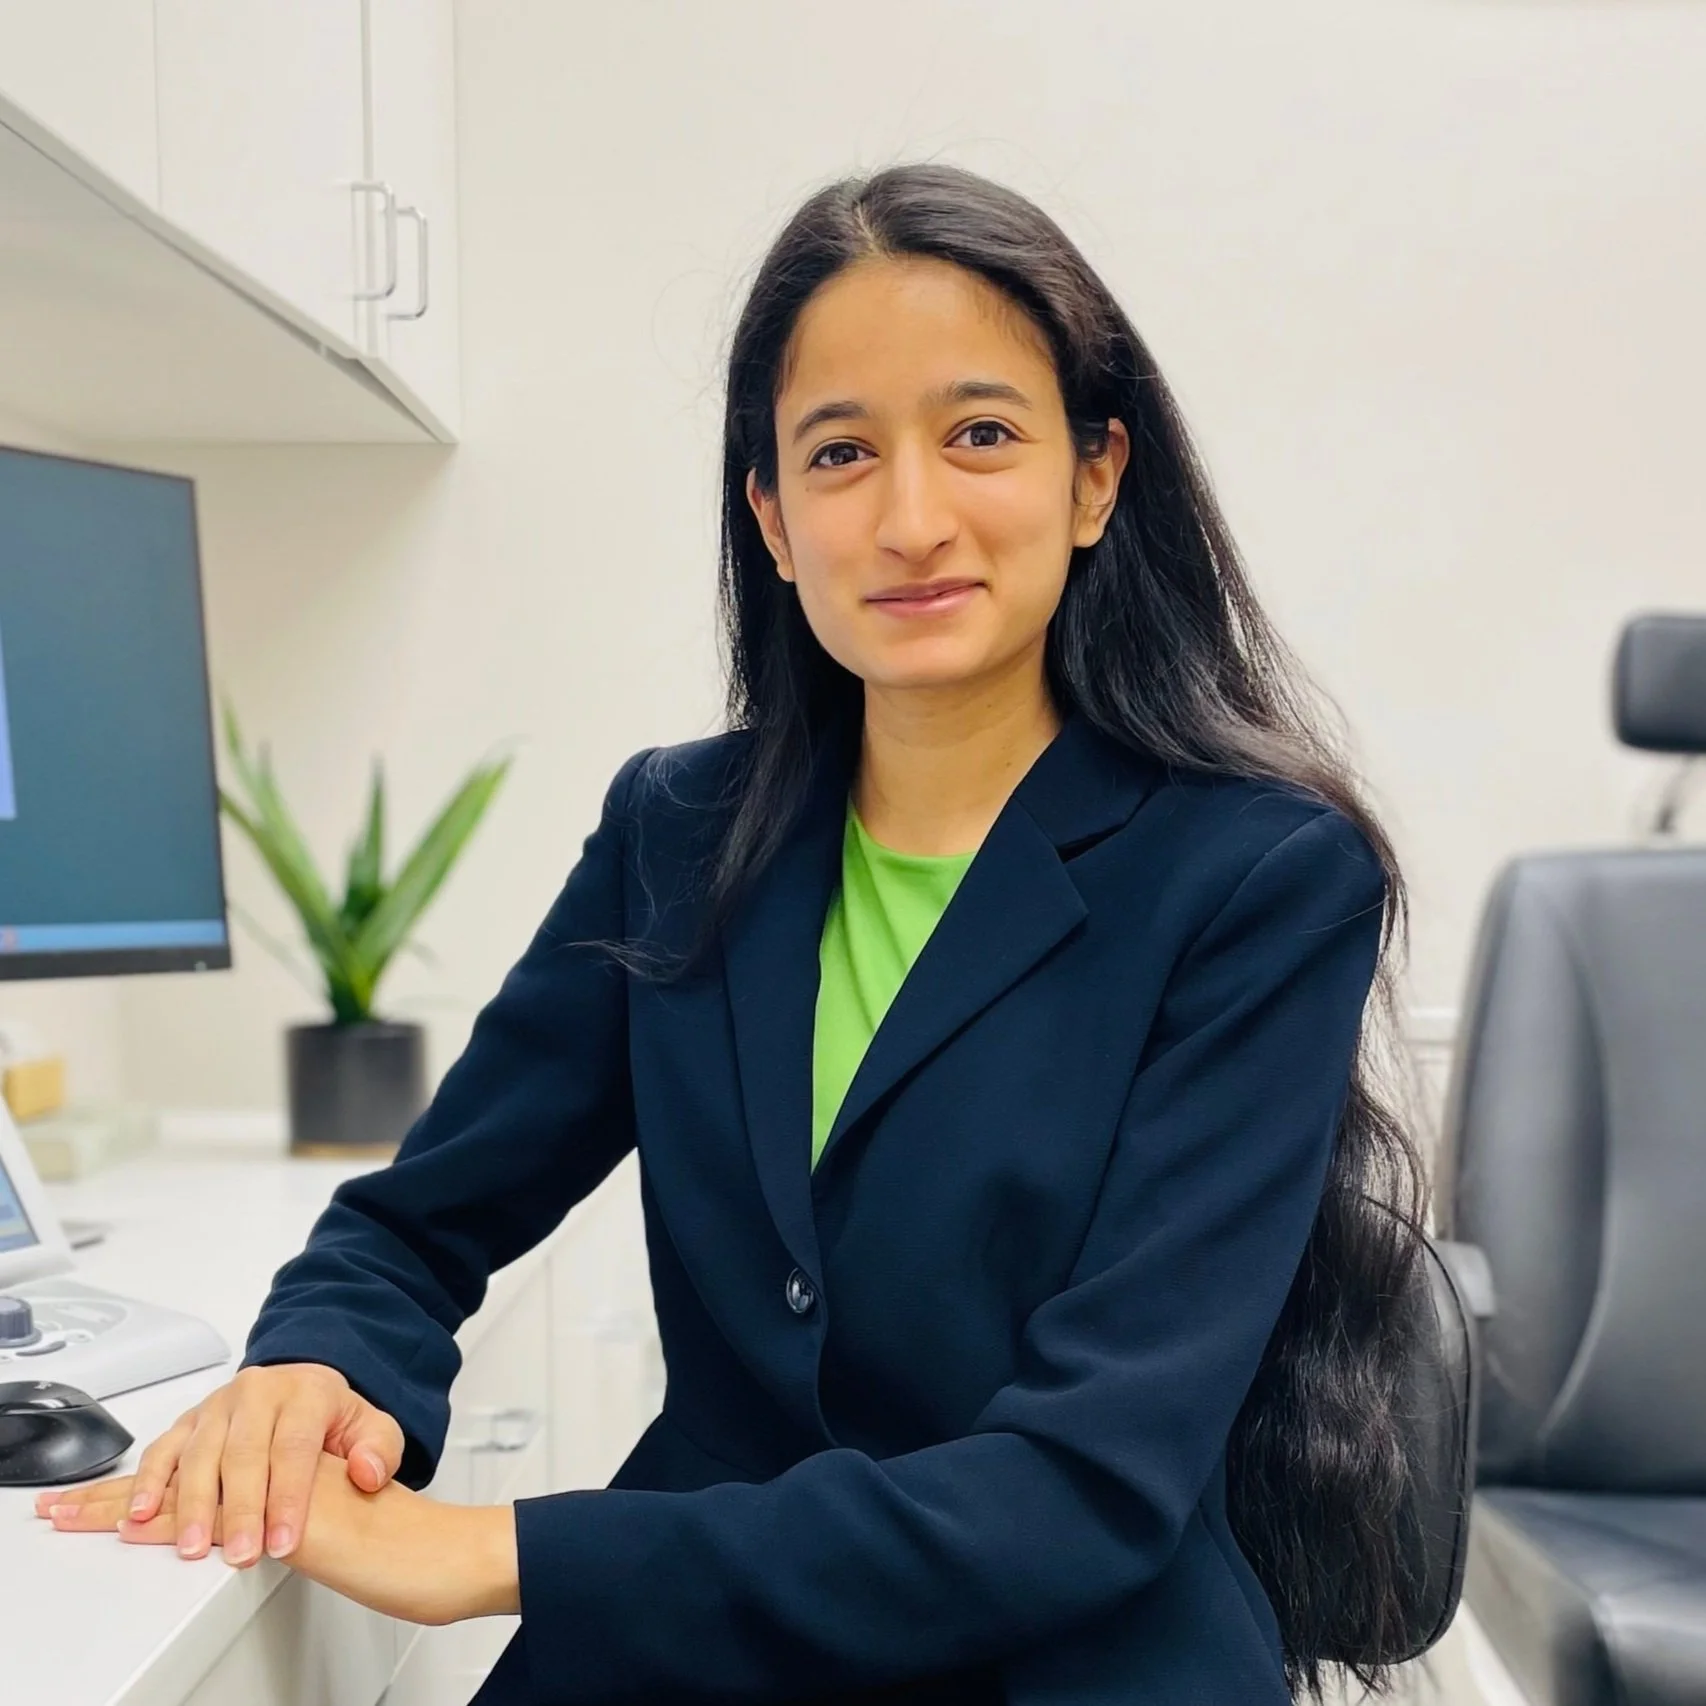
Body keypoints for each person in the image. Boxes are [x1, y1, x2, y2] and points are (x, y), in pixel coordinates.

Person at [38, 161, 1432, 1704]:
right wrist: (319, 1370)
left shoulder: (1261, 878)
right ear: (769, 516)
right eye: (839, 453)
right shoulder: (678, 834)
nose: (911, 518)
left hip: (1067, 1641)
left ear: (1094, 475)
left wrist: (494, 1549)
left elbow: (1087, 1482)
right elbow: (418, 1218)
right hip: (699, 1637)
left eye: (981, 434)